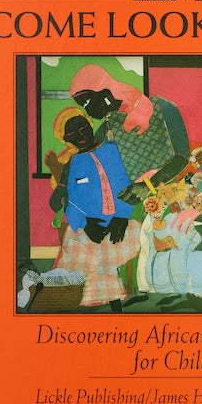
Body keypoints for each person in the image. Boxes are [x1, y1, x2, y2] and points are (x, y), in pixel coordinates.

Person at [50, 107, 141, 310]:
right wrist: (85, 223)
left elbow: (127, 184)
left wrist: (121, 216)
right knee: (82, 252)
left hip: (120, 222)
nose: (80, 135)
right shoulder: (74, 163)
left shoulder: (112, 150)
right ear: (66, 139)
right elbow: (70, 201)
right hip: (90, 226)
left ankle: (113, 305)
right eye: (72, 133)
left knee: (103, 254)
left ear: (90, 126)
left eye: (83, 128)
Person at [69, 64, 191, 202]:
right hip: (131, 205)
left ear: (104, 91)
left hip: (174, 195)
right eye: (83, 105)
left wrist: (148, 186)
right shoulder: (107, 128)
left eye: (87, 101)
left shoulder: (162, 107)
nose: (88, 110)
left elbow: (182, 157)